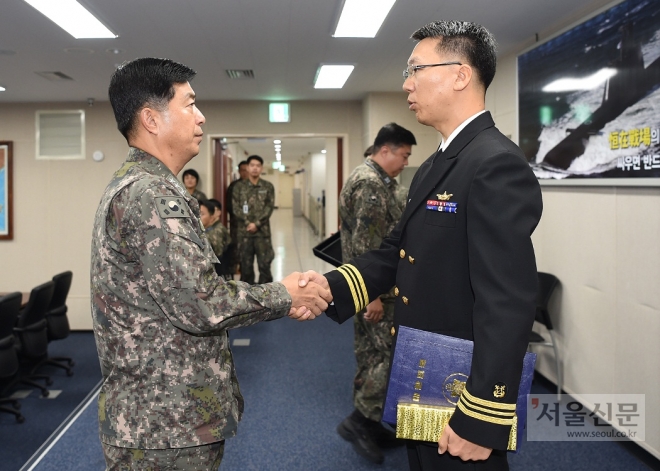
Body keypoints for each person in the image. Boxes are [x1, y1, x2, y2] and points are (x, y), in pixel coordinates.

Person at [303, 21, 543, 470]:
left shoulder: (495, 164)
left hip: (461, 388)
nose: (406, 84)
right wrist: (328, 288)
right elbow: (398, 250)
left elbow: (507, 301)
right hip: (423, 372)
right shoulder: (437, 164)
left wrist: (483, 418)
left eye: (415, 70)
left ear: (459, 74)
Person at [91, 57, 330, 470]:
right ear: (151, 118)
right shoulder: (150, 195)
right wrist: (287, 292)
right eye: (189, 104)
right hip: (162, 427)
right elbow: (201, 302)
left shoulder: (144, 186)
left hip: (163, 418)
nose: (201, 117)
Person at [336, 123, 416, 465]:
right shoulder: (370, 184)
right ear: (385, 150)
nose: (405, 162)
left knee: (372, 354)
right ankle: (359, 423)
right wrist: (373, 296)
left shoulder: (376, 179)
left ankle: (372, 422)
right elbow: (366, 244)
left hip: (371, 287)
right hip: (375, 290)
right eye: (404, 155)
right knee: (384, 356)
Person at [231, 155, 275, 284]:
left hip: (263, 234)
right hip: (245, 234)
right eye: (252, 165)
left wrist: (257, 224)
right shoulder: (238, 187)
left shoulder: (268, 186)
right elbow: (236, 208)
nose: (255, 168)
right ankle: (247, 299)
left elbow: (269, 207)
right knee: (246, 268)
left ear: (261, 168)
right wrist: (247, 223)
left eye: (258, 165)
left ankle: (267, 298)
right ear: (248, 168)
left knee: (265, 266)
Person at [200, 199, 232, 279]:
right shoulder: (206, 230)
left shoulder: (216, 231)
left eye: (202, 214)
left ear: (211, 217)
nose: (198, 217)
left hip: (218, 276)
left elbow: (217, 257)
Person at [226, 160, 248, 275]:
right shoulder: (234, 186)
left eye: (246, 170)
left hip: (252, 227)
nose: (245, 173)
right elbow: (230, 206)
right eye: (242, 170)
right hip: (237, 226)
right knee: (237, 250)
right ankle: (235, 273)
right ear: (239, 171)